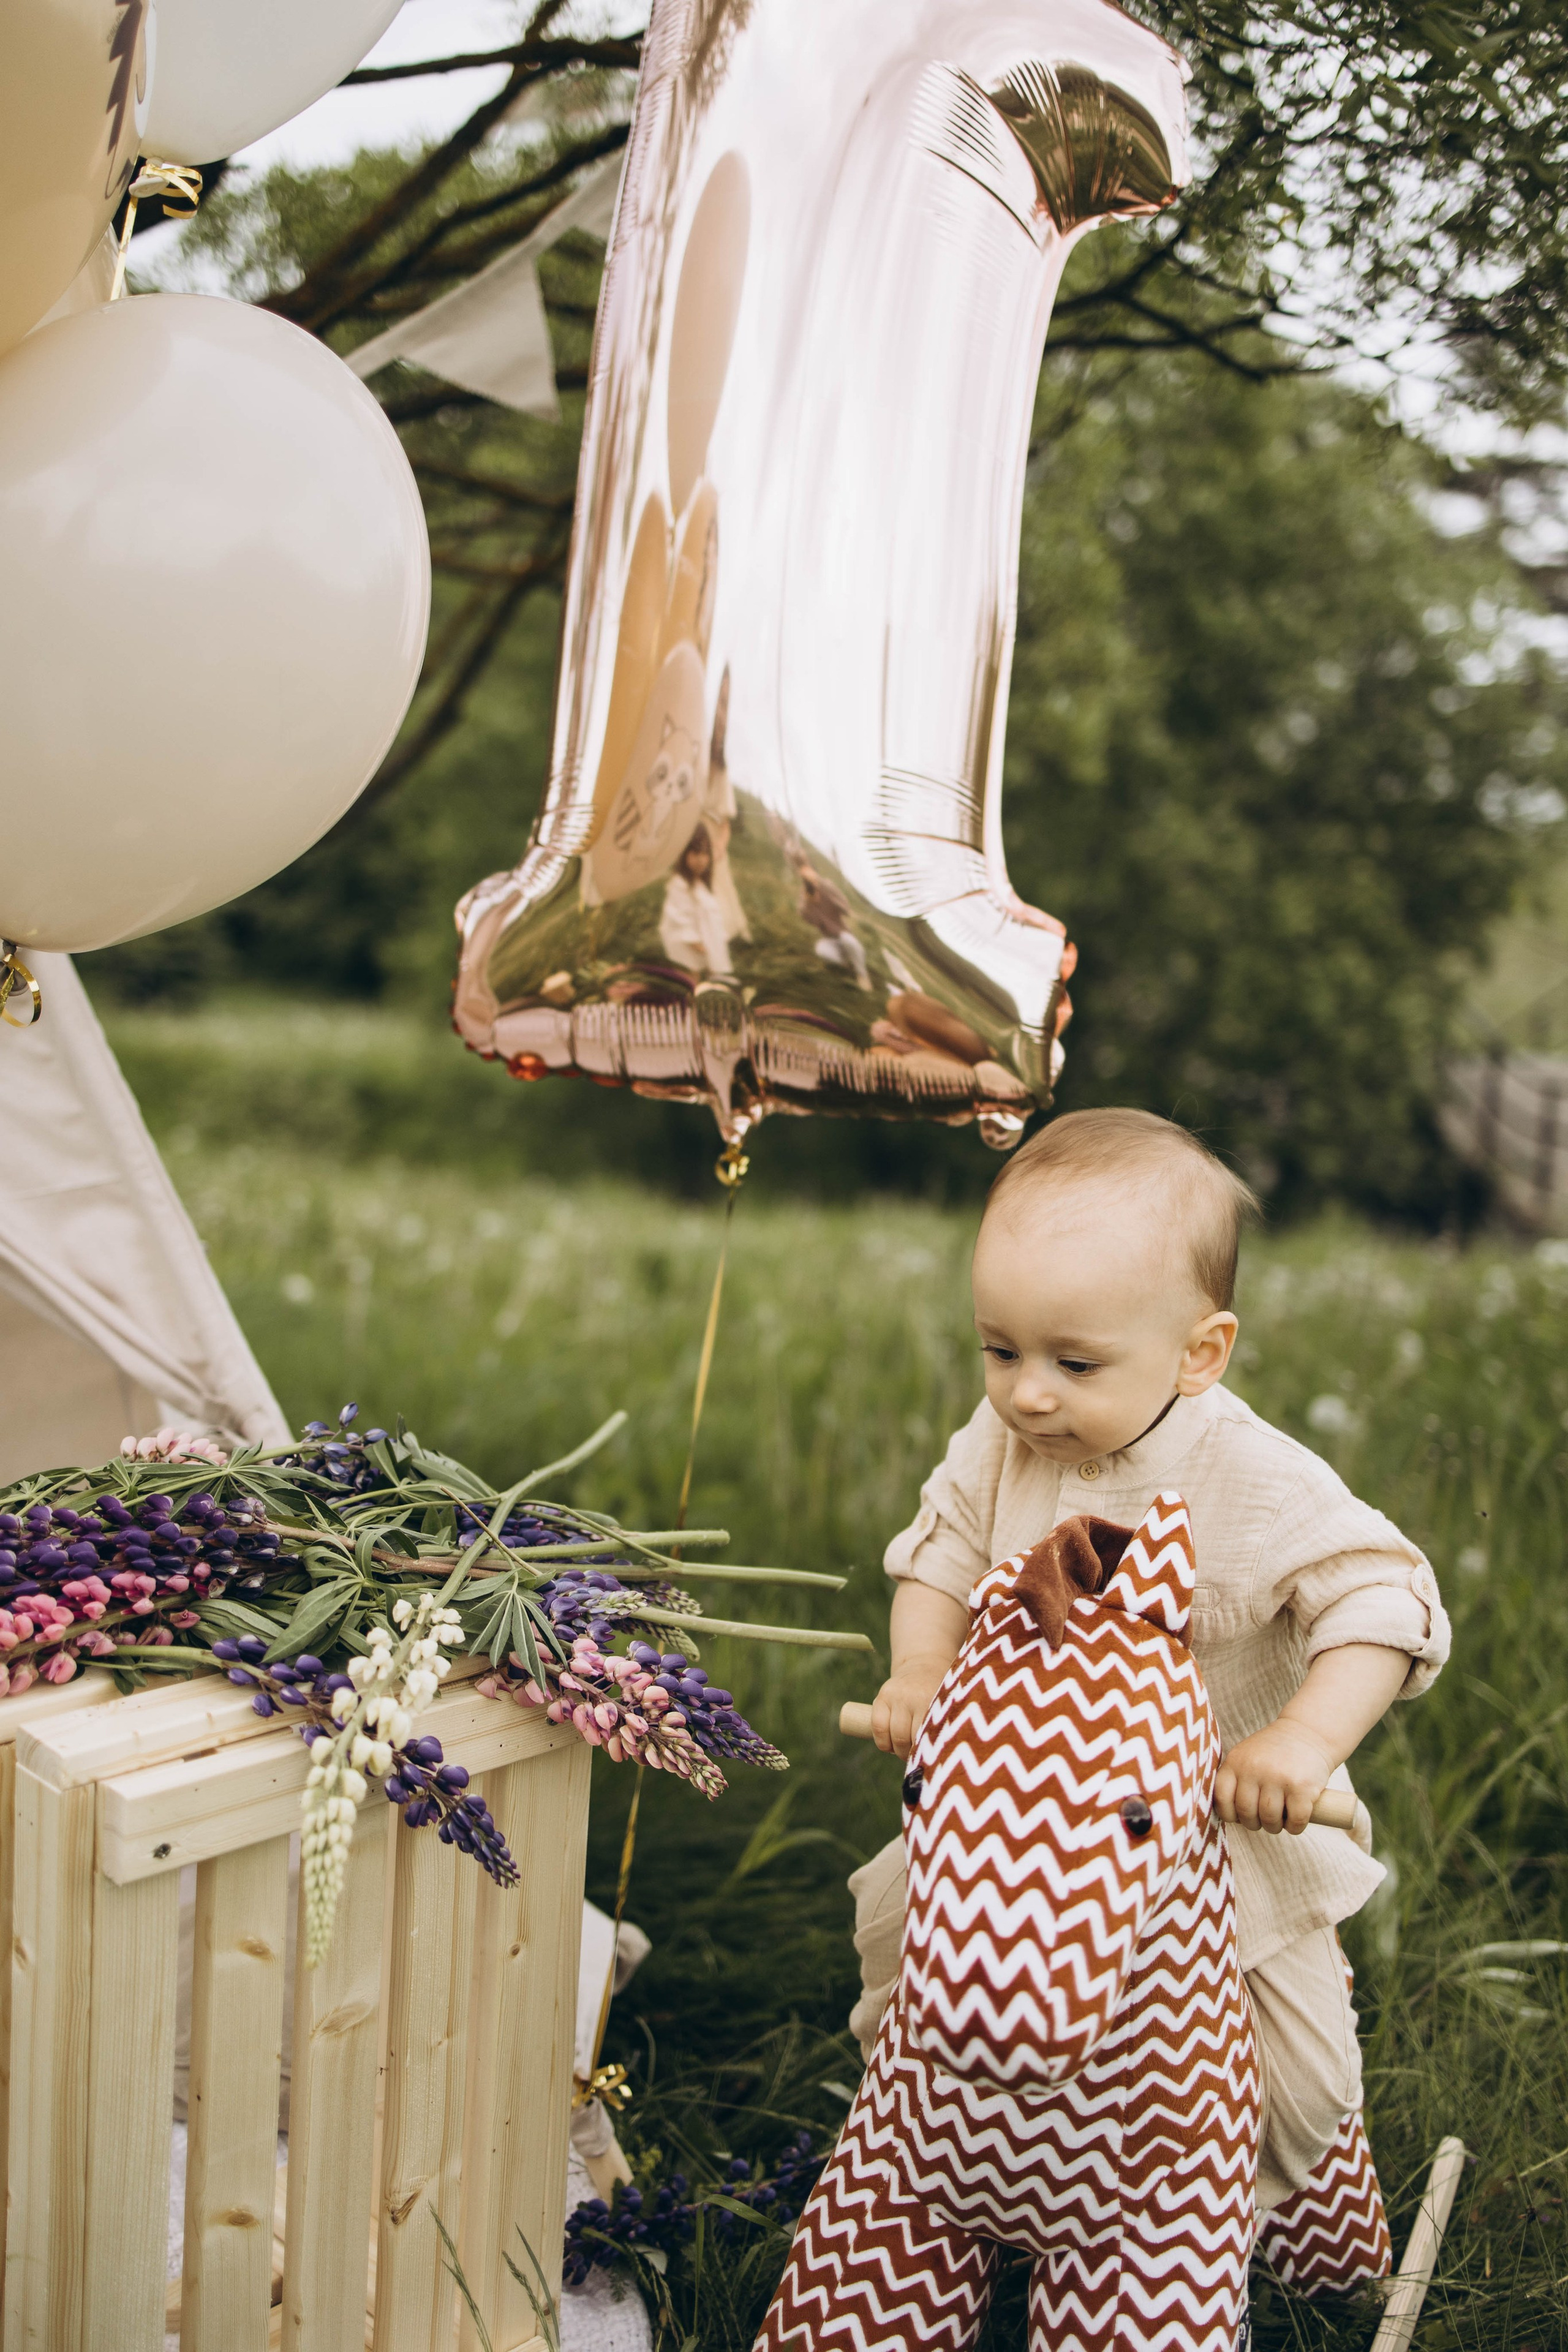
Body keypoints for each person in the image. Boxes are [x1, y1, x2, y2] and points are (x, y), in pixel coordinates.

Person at [856, 1107, 1450, 2212]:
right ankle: (970, 2183)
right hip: (1021, 1829)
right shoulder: (1001, 1446)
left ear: (1200, 1352)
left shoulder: (1257, 1475)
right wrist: (922, 1671)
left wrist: (1304, 1743)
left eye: (1074, 1361)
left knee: (1303, 2086)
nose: (1028, 1391)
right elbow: (937, 1554)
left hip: (1223, 1835)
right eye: (1000, 1350)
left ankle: (1227, 2209)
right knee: (913, 1978)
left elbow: (1383, 1597)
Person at [658, 823, 737, 978]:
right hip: (689, 950)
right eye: (695, 853)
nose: (701, 860)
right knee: (689, 981)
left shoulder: (702, 886)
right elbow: (679, 917)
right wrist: (698, 944)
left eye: (705, 854)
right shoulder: (680, 884)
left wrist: (715, 946)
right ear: (684, 853)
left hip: (706, 949)